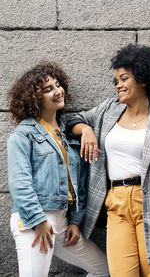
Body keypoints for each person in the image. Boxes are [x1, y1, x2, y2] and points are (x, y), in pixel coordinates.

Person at [67, 44, 150, 277]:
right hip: (116, 204)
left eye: (124, 79)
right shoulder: (107, 110)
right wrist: (87, 131)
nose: (118, 85)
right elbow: (74, 120)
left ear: (143, 79)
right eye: (116, 81)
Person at [7, 61, 109, 277]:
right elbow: (19, 183)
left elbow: (78, 184)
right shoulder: (23, 135)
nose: (57, 91)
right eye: (48, 89)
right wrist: (38, 221)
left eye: (57, 85)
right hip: (33, 221)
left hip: (63, 223)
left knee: (104, 269)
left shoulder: (69, 134)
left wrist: (74, 221)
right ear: (34, 99)